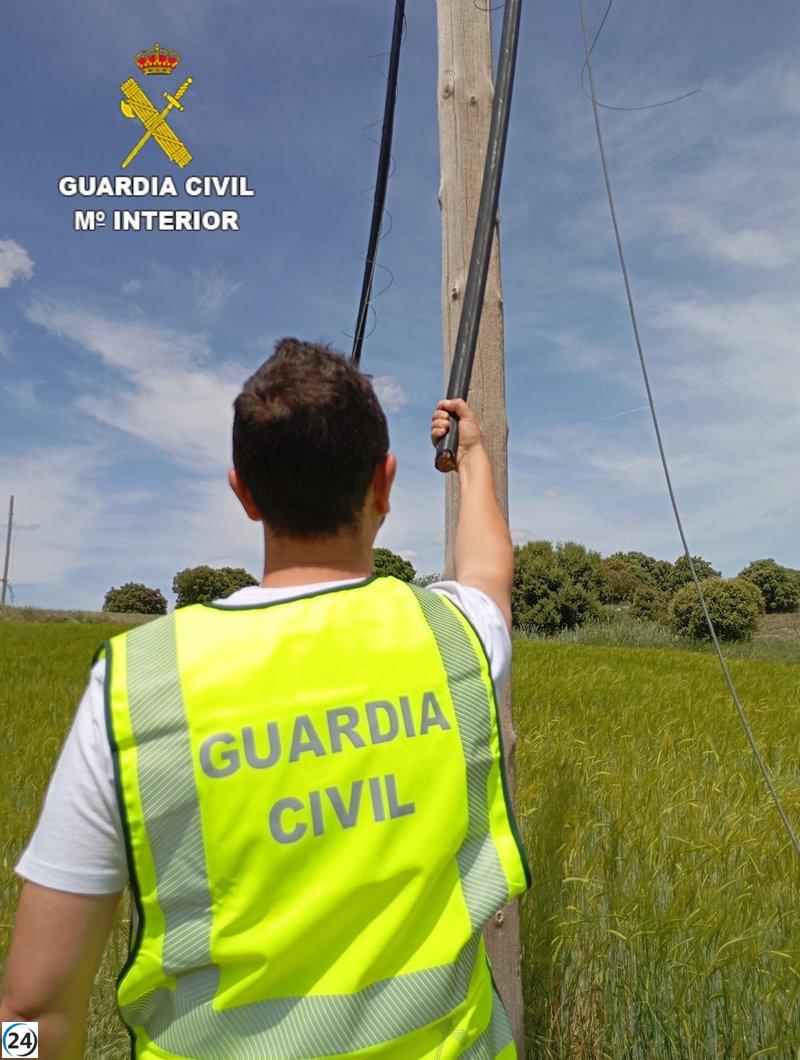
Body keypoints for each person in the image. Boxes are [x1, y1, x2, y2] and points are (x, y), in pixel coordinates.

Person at [1, 339, 530, 1059]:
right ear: (385, 484)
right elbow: (488, 570)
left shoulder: (136, 684)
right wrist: (470, 458)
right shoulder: (455, 638)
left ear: (243, 493)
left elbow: (28, 1011)